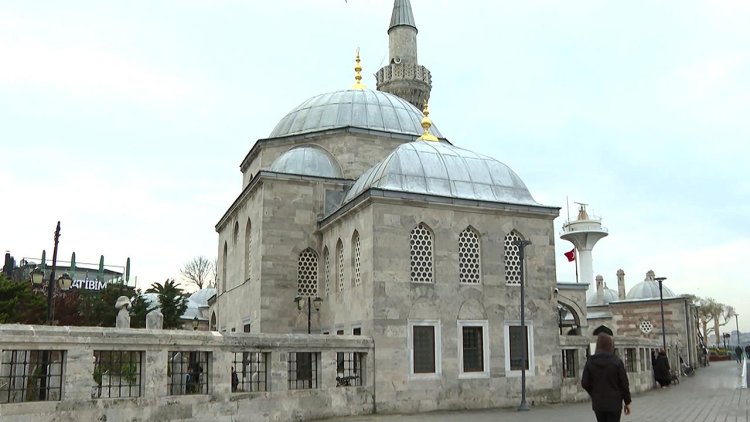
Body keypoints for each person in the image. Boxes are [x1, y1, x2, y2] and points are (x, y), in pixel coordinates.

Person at [582, 333, 632, 422]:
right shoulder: (617, 362)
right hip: (615, 403)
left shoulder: (590, 361)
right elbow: (624, 383)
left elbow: (585, 382)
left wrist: (594, 393)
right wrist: (627, 402)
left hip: (599, 403)